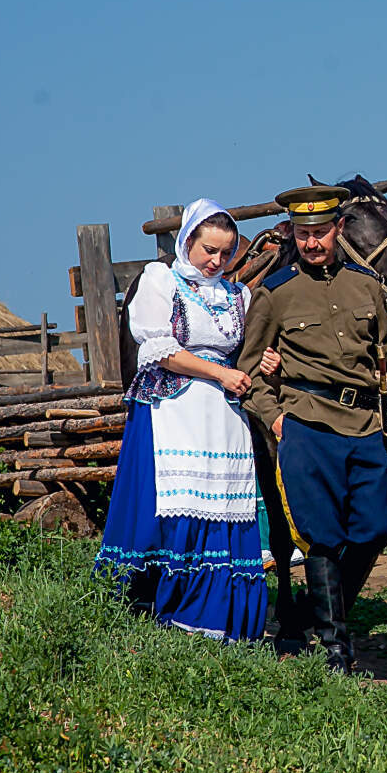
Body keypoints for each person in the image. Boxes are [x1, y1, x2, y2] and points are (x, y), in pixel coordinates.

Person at [238, 184, 387, 673]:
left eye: (320, 233)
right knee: (321, 536)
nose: (312, 242)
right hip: (308, 424)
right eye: (304, 234)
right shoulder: (274, 294)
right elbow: (252, 368)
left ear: (337, 230)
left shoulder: (365, 285)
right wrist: (275, 417)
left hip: (364, 424)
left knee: (374, 527)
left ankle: (316, 610)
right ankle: (336, 649)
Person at [96, 198, 268, 642]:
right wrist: (220, 372)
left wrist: (263, 361)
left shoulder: (238, 295)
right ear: (186, 240)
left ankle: (215, 618)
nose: (217, 261)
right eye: (208, 250)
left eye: (226, 253)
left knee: (223, 504)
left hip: (223, 416)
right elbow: (160, 350)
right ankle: (160, 607)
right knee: (174, 503)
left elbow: (243, 353)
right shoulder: (161, 281)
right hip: (173, 409)